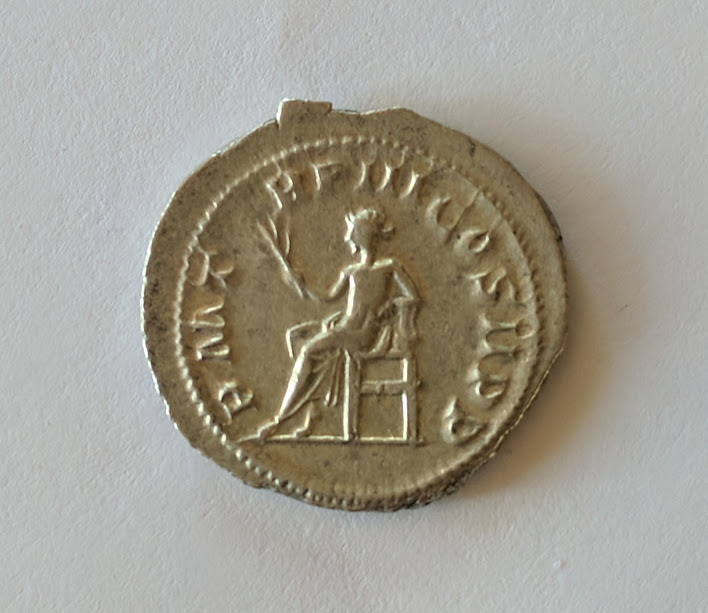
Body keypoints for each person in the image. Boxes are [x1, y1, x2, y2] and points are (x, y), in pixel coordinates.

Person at [258, 208, 419, 438]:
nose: (348, 237)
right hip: (344, 329)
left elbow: (413, 296)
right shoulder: (351, 271)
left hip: (364, 334)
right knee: (299, 338)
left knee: (308, 351)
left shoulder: (390, 268)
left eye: (353, 232)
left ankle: (280, 419)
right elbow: (327, 298)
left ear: (363, 235)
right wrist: (301, 284)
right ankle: (311, 416)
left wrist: (391, 308)